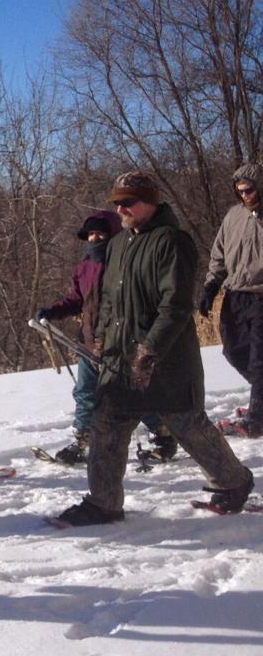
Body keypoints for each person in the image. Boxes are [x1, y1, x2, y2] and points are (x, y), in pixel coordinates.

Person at [55, 171, 255, 526]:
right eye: (116, 202)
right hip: (119, 356)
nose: (120, 208)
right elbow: (111, 302)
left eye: (128, 201)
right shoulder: (118, 244)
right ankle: (104, 502)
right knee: (107, 425)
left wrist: (150, 350)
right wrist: (101, 338)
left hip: (166, 359)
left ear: (149, 200)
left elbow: (175, 305)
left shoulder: (172, 241)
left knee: (186, 424)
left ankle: (235, 482)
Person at [36, 210, 176, 464]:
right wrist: (51, 312)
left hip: (119, 342)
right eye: (90, 234)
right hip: (88, 341)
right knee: (85, 392)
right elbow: (76, 300)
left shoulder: (122, 262)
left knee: (131, 393)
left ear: (112, 234)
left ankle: (164, 432)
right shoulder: (83, 267)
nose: (94, 238)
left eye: (100, 233)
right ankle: (82, 439)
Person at [198, 163, 263, 438]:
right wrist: (211, 285)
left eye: (249, 190)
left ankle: (257, 417)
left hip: (261, 294)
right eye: (240, 192)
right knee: (234, 351)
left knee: (260, 358)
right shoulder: (233, 216)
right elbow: (219, 255)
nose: (244, 195)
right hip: (235, 295)